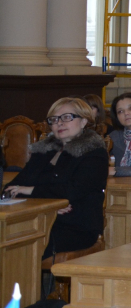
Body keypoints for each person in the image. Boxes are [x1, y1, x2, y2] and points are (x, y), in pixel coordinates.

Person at [4, 98, 108, 258]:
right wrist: (50, 206)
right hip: (37, 221)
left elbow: (71, 192)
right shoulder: (43, 151)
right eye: (53, 119)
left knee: (22, 245)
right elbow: (11, 188)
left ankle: (28, 283)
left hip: (75, 226)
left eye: (67, 117)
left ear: (83, 121)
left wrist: (30, 190)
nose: (59, 123)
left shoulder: (94, 153)